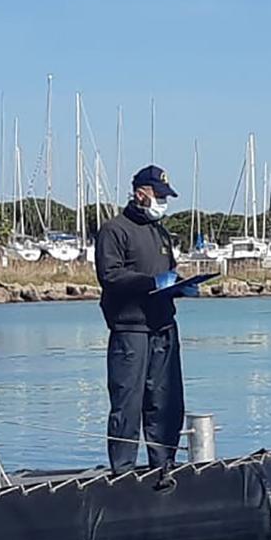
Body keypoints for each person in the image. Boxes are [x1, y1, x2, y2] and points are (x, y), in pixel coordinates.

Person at [94, 164, 201, 473]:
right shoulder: (114, 230)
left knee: (166, 400)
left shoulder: (160, 231)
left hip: (164, 325)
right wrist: (151, 283)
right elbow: (110, 275)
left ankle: (164, 463)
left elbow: (167, 271)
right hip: (131, 329)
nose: (163, 203)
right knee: (127, 400)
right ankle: (123, 469)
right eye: (159, 196)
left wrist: (179, 286)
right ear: (141, 194)